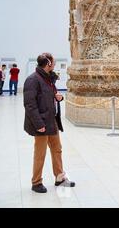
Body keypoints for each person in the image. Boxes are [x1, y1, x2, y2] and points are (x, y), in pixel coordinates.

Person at [23, 53, 75, 193]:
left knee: (57, 149)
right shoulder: (32, 80)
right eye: (53, 62)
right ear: (48, 64)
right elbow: (30, 105)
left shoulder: (48, 79)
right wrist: (39, 124)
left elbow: (47, 95)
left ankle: (59, 177)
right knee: (40, 153)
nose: (55, 64)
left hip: (52, 121)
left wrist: (57, 97)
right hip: (41, 123)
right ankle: (36, 182)